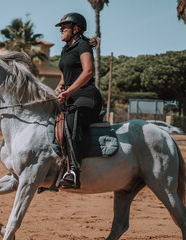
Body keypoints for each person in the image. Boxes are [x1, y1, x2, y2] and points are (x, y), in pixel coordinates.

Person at [55, 12, 103, 189]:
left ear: (76, 29)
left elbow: (88, 72)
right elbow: (64, 78)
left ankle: (74, 172)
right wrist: (58, 90)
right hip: (70, 96)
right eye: (61, 27)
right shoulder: (65, 49)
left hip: (87, 97)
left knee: (70, 121)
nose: (61, 30)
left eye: (64, 27)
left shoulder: (83, 45)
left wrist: (69, 91)